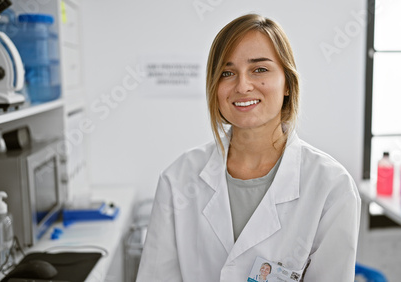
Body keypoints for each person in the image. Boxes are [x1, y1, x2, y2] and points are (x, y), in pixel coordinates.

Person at [136, 13, 361, 282]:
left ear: (288, 84)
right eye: (227, 73)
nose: (242, 86)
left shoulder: (331, 186)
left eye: (260, 69)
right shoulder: (178, 179)